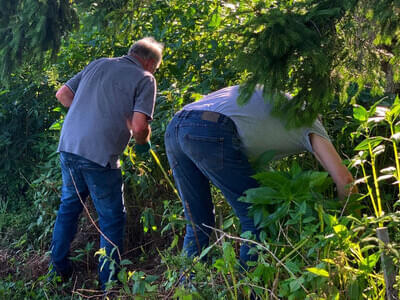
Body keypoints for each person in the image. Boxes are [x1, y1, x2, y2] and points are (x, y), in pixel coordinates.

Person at [164, 85, 355, 266]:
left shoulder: (275, 106)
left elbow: (257, 174)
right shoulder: (311, 122)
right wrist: (347, 228)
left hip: (176, 126)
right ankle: (249, 291)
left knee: (198, 221)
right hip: (211, 127)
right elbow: (345, 181)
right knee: (257, 216)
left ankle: (186, 287)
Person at [50, 37, 163, 289]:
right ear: (148, 62)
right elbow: (139, 127)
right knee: (111, 218)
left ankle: (57, 273)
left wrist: (89, 113)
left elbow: (63, 94)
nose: (155, 71)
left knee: (68, 209)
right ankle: (109, 285)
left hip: (68, 147)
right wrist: (143, 145)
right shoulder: (145, 78)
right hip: (99, 156)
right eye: (156, 67)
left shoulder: (98, 63)